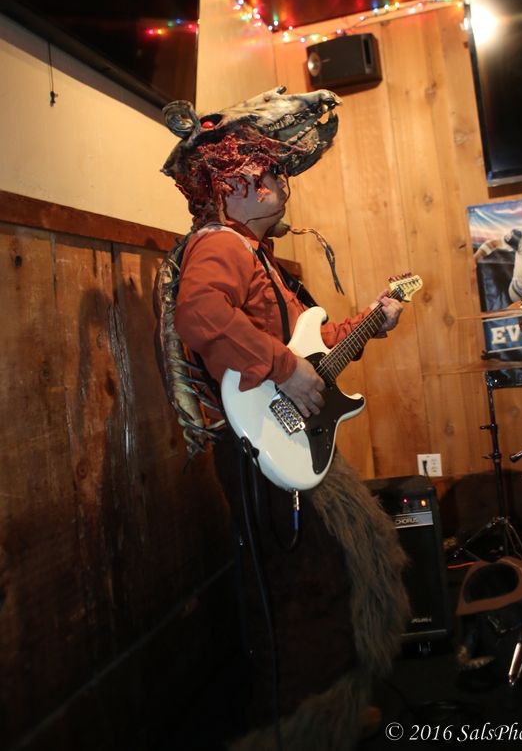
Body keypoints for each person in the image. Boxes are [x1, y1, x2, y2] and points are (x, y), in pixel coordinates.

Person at [159, 88, 410, 751]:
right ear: (226, 189)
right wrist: (282, 367)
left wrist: (372, 321)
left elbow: (312, 349)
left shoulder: (257, 255)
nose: (280, 183)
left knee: (325, 576)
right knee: (302, 586)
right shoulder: (221, 244)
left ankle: (324, 716)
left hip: (280, 441)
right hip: (259, 449)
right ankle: (299, 727)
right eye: (264, 173)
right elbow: (200, 315)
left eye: (277, 171)